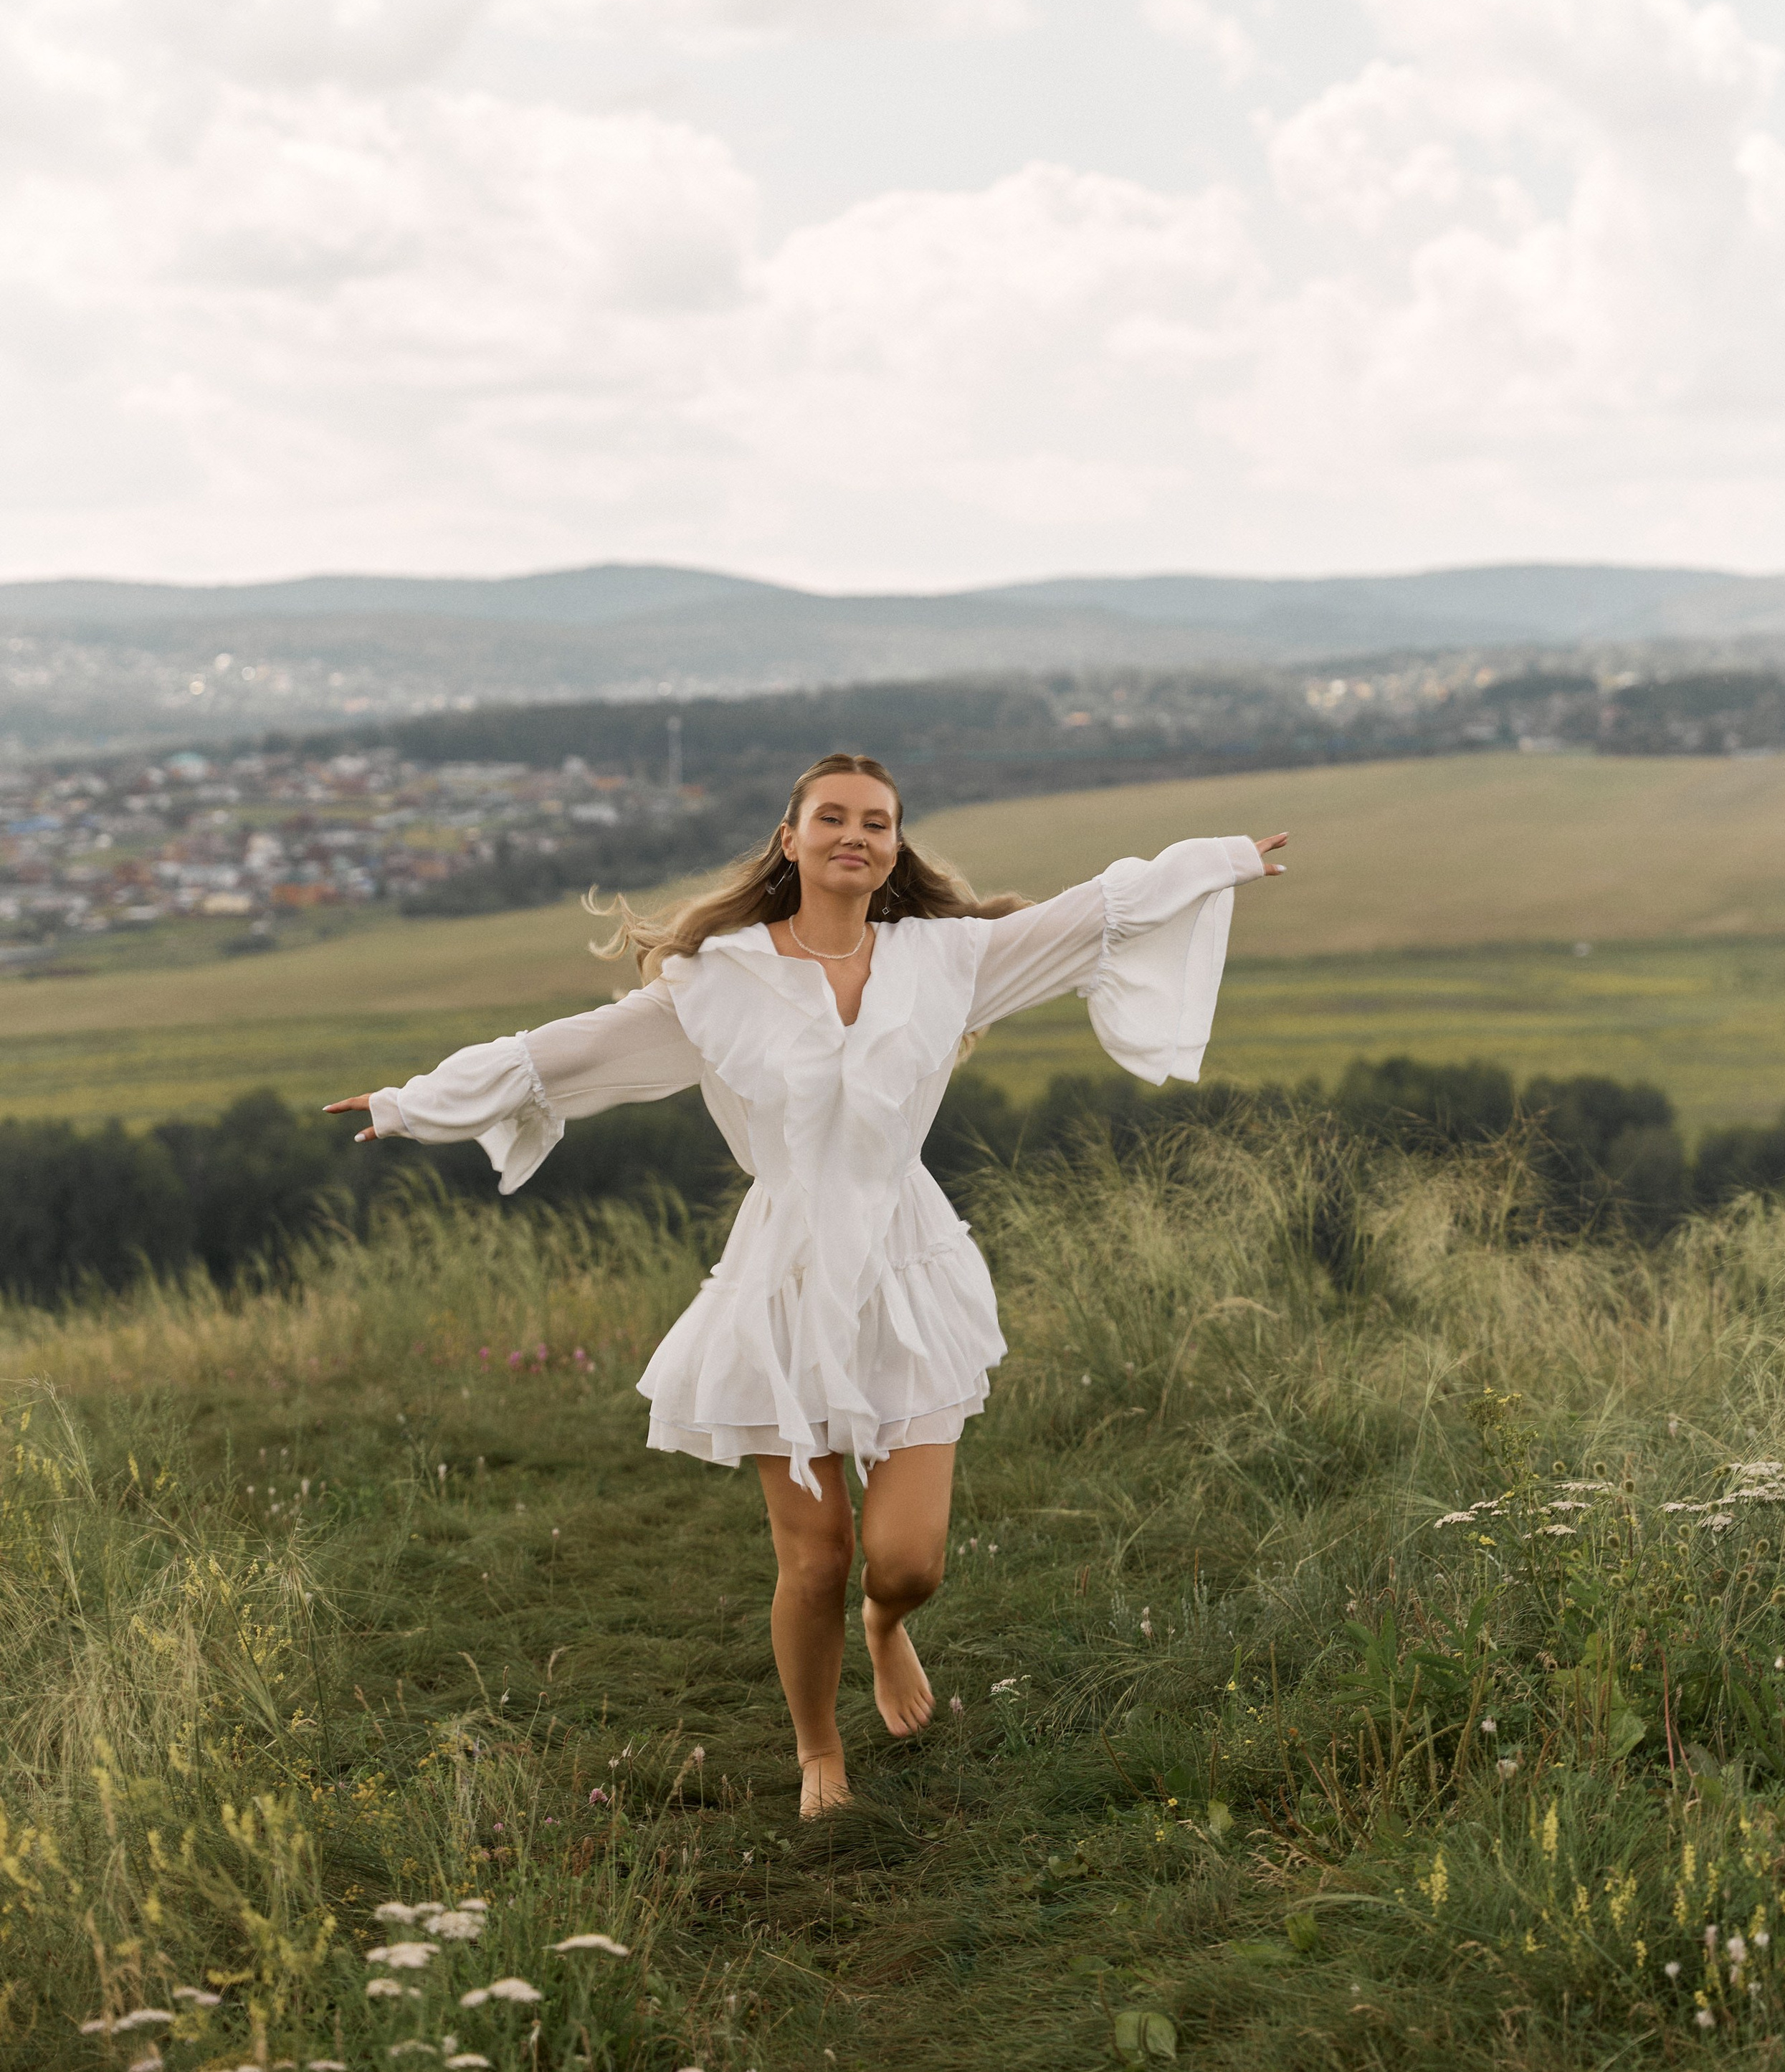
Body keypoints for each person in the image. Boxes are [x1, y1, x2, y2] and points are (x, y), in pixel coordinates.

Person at [327, 753, 1285, 1818]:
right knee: (818, 1554)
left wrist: (1220, 861)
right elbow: (568, 1053)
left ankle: (891, 1628)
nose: (854, 835)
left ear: (893, 848)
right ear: (790, 839)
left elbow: (1090, 914)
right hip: (781, 1284)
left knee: (906, 1561)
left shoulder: (948, 959)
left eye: (876, 822)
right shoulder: (718, 978)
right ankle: (819, 1751)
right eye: (831, 817)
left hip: (908, 1271)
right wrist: (418, 1103)